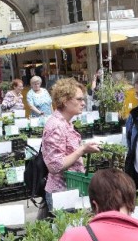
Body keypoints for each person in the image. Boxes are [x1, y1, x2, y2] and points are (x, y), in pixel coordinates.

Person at [41, 78, 100, 208]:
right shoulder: (56, 126)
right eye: (79, 99)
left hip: (70, 189)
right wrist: (82, 150)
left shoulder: (65, 122)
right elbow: (54, 166)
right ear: (65, 101)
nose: (83, 103)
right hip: (62, 193)